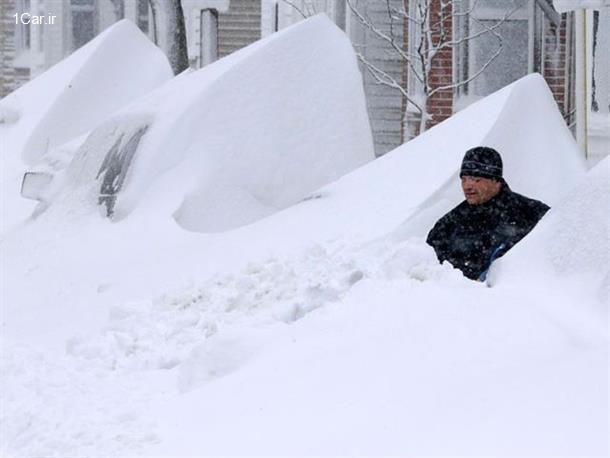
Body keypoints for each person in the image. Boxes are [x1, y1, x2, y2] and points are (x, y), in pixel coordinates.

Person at [426, 146, 550, 281]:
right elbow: (426, 267)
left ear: (495, 180)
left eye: (475, 179)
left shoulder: (532, 213)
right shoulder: (449, 224)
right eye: (464, 179)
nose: (467, 186)